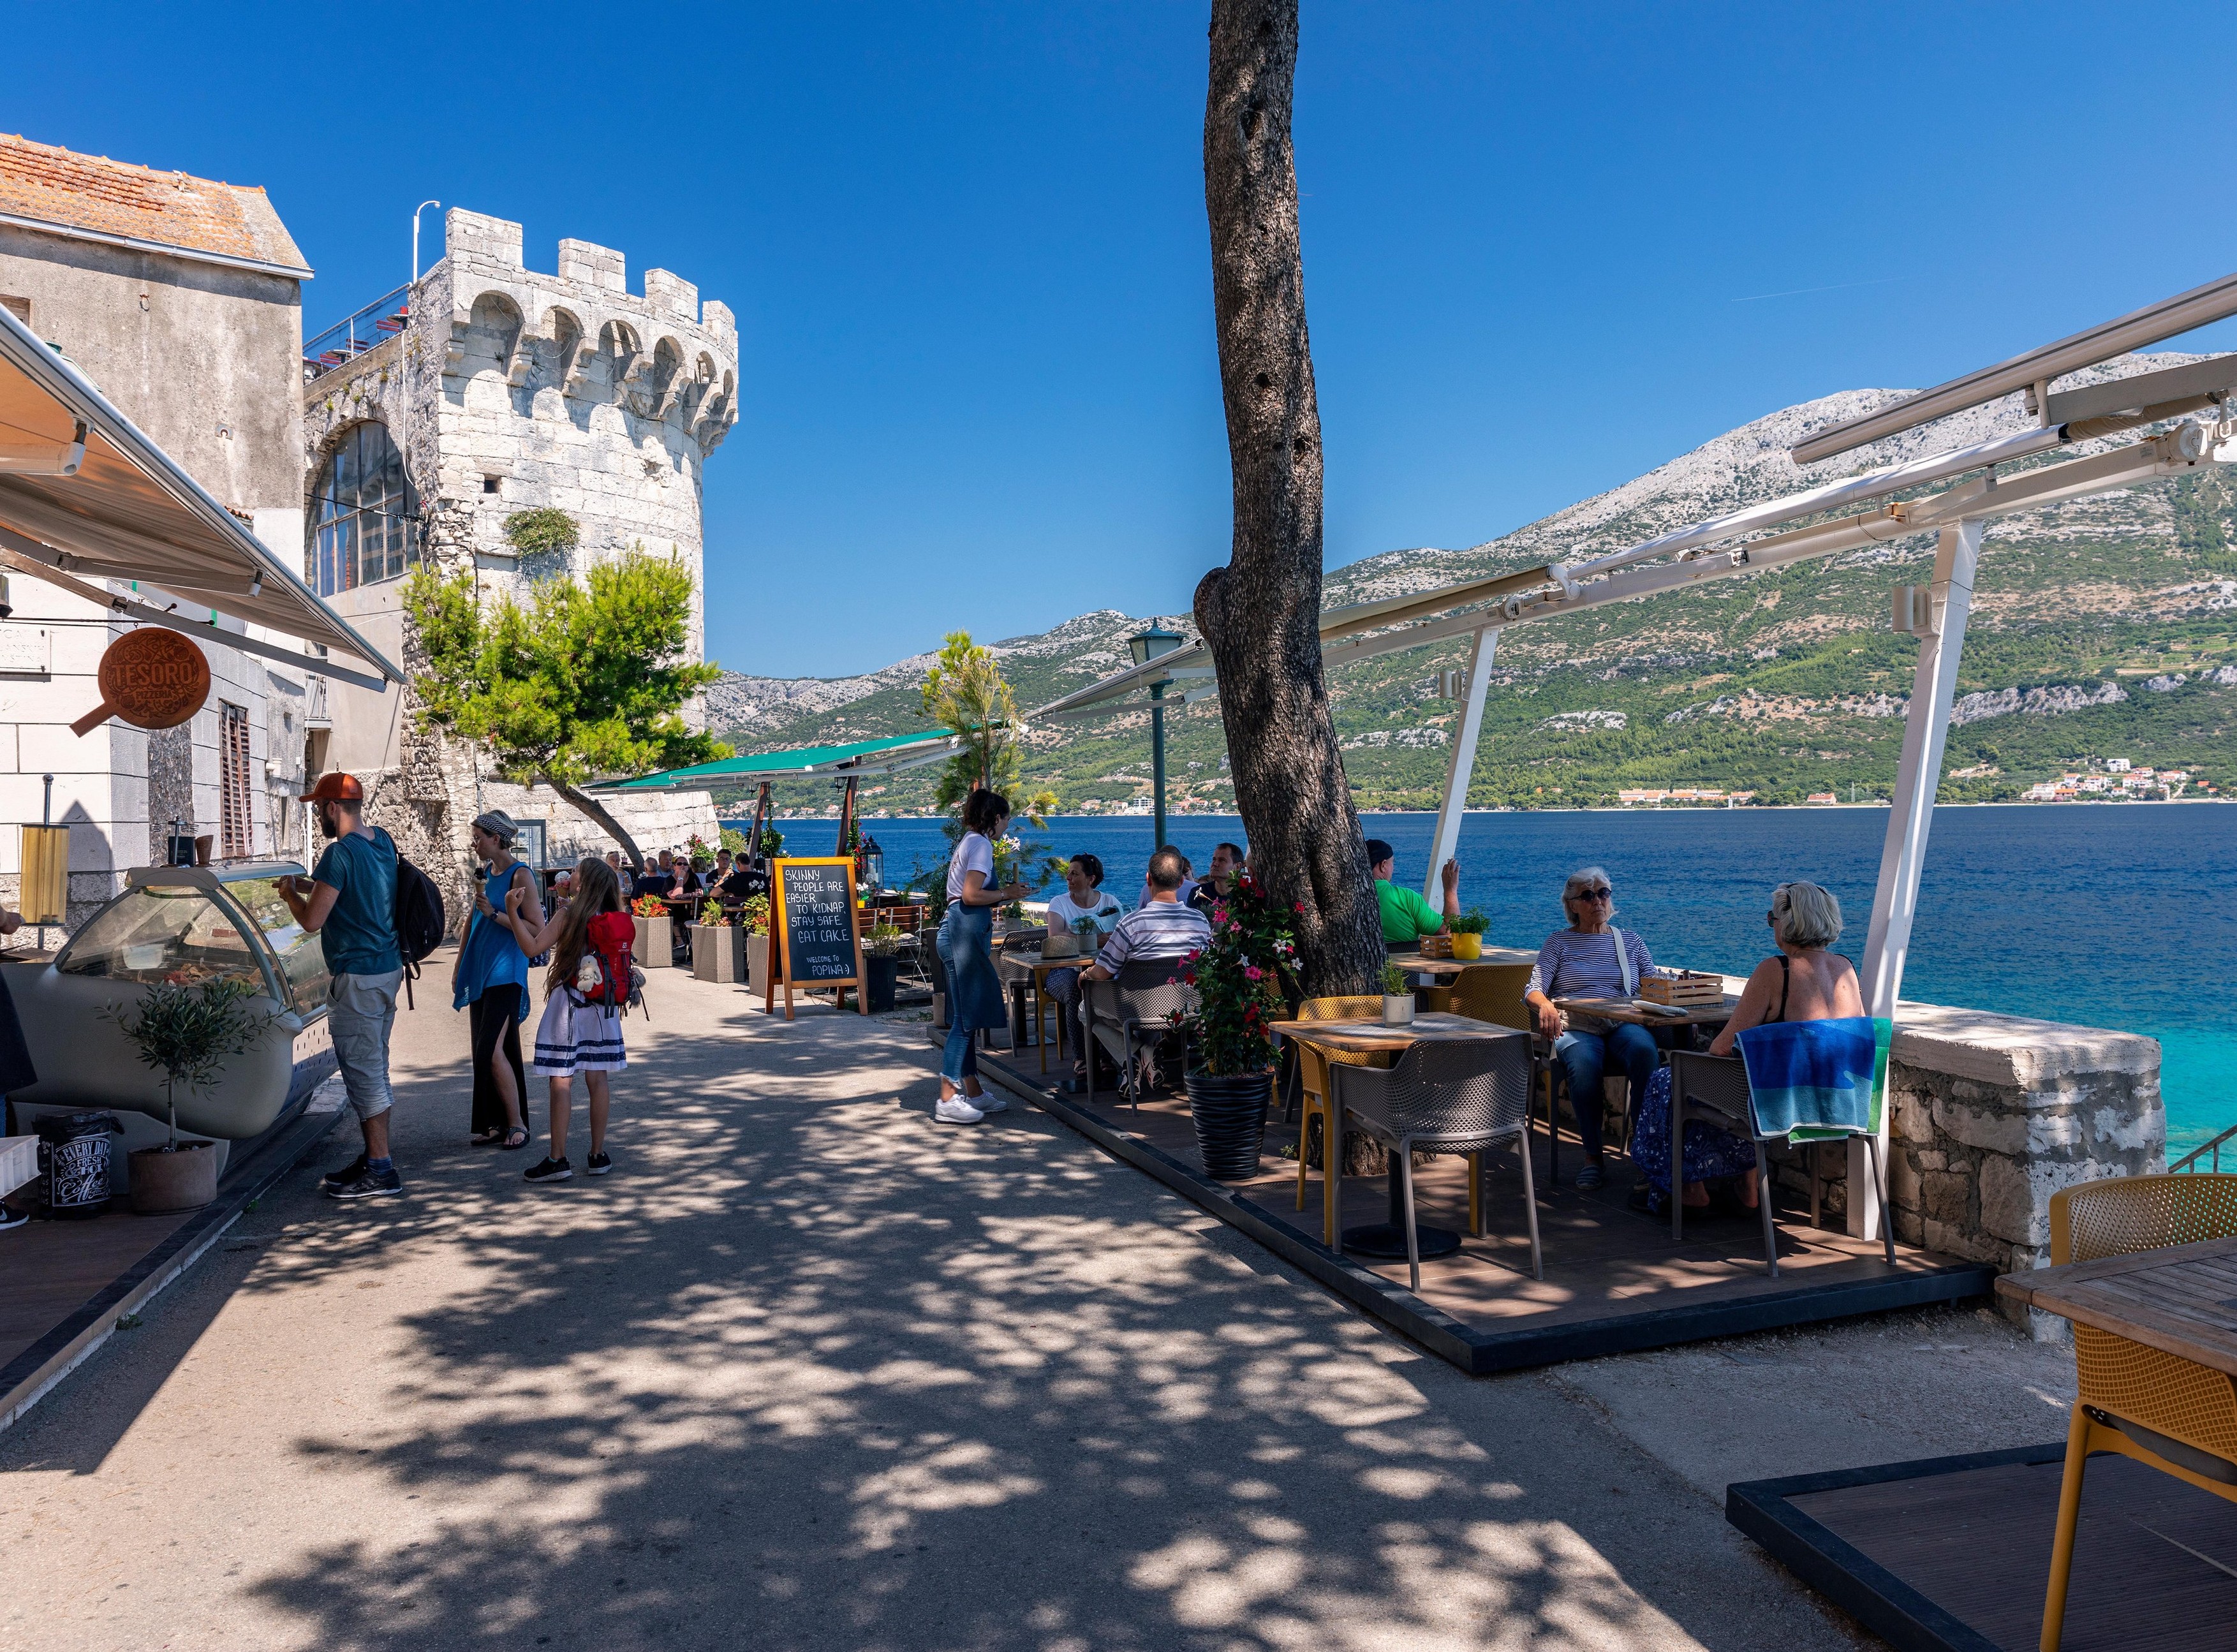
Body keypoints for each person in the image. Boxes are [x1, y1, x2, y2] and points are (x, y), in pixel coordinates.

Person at [1633, 881, 1865, 1215]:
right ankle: (1746, 1186)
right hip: (1836, 1103)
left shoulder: (1777, 971)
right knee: (1725, 1083)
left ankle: (1688, 1189)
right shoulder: (1846, 969)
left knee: (1670, 1081)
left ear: (1789, 921)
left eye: (1773, 918)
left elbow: (1722, 1048)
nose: (1772, 925)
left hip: (1780, 1107)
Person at [279, 773, 406, 1200]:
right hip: (388, 969)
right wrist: (303, 883)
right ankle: (374, 1159)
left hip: (357, 977)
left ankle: (382, 1170)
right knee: (376, 1066)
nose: (318, 817)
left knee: (364, 1072)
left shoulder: (338, 853)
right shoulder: (382, 841)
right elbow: (349, 894)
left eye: (319, 809)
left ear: (333, 807)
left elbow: (313, 920)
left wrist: (288, 896)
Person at [1521, 866, 1661, 1191]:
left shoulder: (1630, 942)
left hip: (1621, 1023)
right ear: (1572, 905)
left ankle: (1645, 1154)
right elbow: (1533, 988)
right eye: (1588, 895)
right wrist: (1544, 1005)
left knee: (1645, 1052)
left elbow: (1653, 985)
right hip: (1577, 1025)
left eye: (1603, 893)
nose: (1598, 900)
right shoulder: (1559, 942)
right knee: (1584, 1065)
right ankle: (1593, 1157)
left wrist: (1681, 988)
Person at [507, 857, 634, 1183]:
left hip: (571, 1005)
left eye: (577, 870)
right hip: (604, 1009)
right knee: (598, 1079)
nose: (572, 873)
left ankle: (558, 1158)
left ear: (584, 882)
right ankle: (597, 1155)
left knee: (562, 1079)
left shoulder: (568, 915)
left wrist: (512, 912)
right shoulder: (616, 917)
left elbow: (532, 947)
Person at [936, 790, 1031, 1125]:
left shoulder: (969, 842)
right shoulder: (981, 845)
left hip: (957, 932)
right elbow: (971, 895)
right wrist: (1006, 893)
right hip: (961, 934)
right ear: (995, 818)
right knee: (966, 1018)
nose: (1007, 825)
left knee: (968, 1014)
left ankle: (973, 1092)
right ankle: (948, 1097)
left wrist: (1003, 895)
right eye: (1006, 819)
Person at [1082, 847, 1213, 1093]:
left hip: (1137, 1008)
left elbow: (1103, 973)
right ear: (1182, 881)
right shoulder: (1199, 921)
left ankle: (1136, 1054)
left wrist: (1086, 975)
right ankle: (1141, 1058)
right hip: (1186, 1008)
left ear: (1148, 879)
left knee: (1084, 1009)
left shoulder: (1132, 923)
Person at [455, 811, 535, 1151]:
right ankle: (494, 1124)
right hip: (481, 970)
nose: (474, 843)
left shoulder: (522, 876)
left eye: (478, 837)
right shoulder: (484, 874)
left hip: (506, 972)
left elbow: (536, 930)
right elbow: (471, 922)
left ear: (497, 839)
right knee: (489, 1048)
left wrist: (496, 913)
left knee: (490, 1048)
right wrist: (459, 964)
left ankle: (517, 1124)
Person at [1041, 853, 1126, 1092]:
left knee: (1104, 987)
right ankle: (1081, 1057)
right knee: (1075, 987)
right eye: (1068, 873)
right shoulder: (1060, 903)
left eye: (1075, 873)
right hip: (1062, 970)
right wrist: (1094, 939)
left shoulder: (1110, 902)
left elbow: (1121, 935)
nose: (1068, 877)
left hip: (1099, 968)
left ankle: (1105, 1056)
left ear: (1091, 879)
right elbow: (1055, 935)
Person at [1368, 839, 1459, 946]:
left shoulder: (1348, 899)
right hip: (1400, 963)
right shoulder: (1407, 899)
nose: (1393, 868)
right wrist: (1450, 890)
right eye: (1393, 862)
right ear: (1383, 865)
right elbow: (1448, 933)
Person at [1187, 842, 1246, 915]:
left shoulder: (1246, 896)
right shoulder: (1198, 893)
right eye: (1214, 859)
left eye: (1222, 860)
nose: (1215, 864)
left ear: (1237, 866)